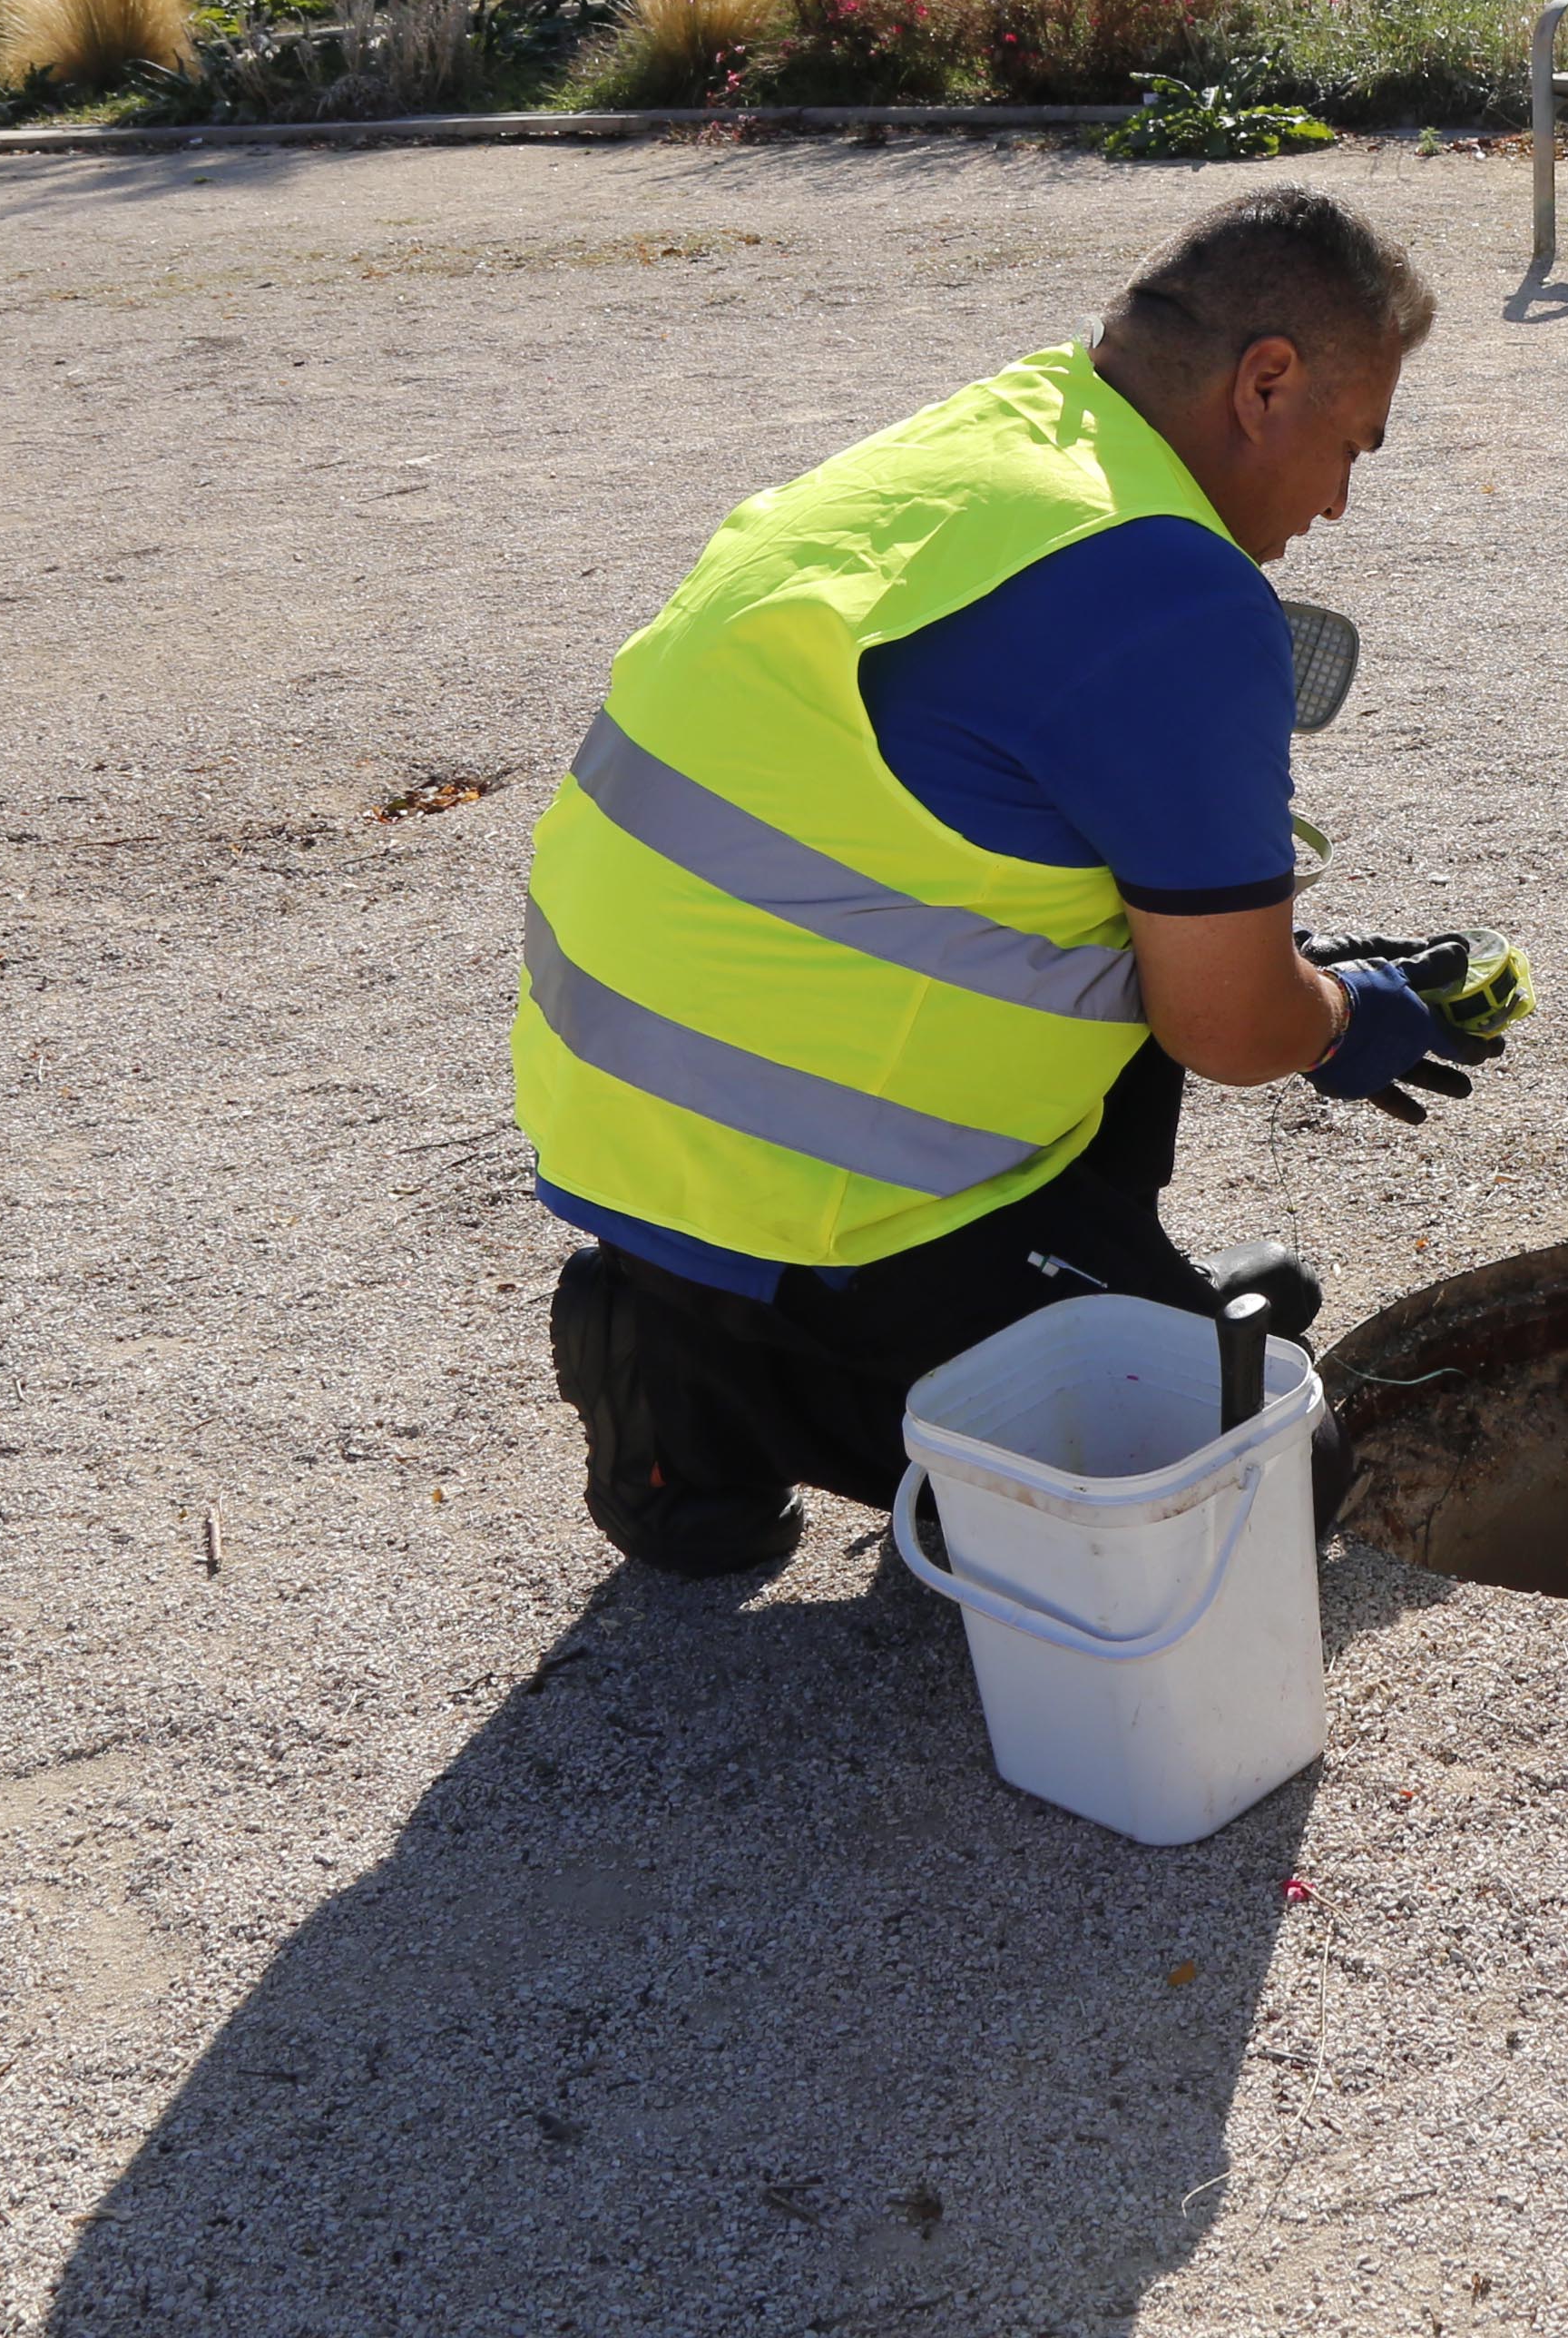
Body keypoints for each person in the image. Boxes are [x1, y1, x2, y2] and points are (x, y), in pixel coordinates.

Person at [514, 186, 1510, 1577]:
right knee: (1261, 1495)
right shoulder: (1171, 587)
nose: (1339, 500)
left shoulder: (993, 442)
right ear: (1266, 384)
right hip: (829, 1210)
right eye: (1351, 447)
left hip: (630, 1142)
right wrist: (1343, 1020)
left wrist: (1283, 970)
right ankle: (774, 1390)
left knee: (1138, 915)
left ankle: (669, 1339)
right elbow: (1227, 1025)